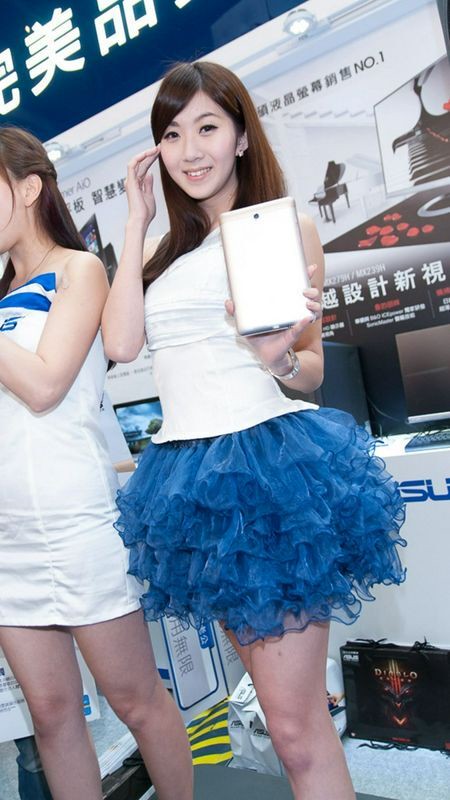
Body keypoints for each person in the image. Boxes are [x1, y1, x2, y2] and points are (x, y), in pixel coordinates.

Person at [102, 61, 406, 800]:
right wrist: (136, 221)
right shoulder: (161, 251)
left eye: (207, 127)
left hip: (266, 474)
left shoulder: (282, 228)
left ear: (241, 136)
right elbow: (120, 344)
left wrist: (275, 356)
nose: (190, 150)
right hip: (193, 484)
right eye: (172, 134)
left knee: (295, 729)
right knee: (279, 721)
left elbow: (309, 370)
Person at [0, 127, 192, 800]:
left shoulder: (77, 270)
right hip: (7, 540)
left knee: (136, 700)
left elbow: (45, 384)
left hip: (75, 522)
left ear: (29, 188)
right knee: (52, 716)